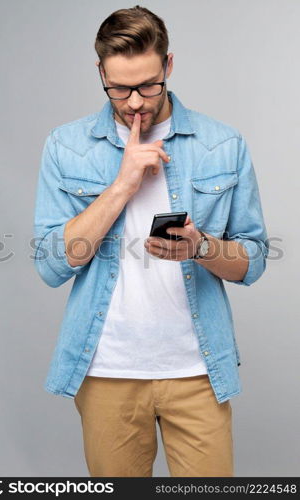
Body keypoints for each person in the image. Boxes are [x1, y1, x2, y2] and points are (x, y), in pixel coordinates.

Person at [33, 5, 269, 477]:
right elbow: (52, 264)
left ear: (169, 66)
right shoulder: (66, 146)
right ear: (100, 72)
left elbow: (253, 260)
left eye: (148, 85)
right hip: (106, 373)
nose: (136, 102)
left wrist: (201, 247)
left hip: (198, 371)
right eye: (119, 88)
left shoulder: (222, 144)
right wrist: (122, 184)